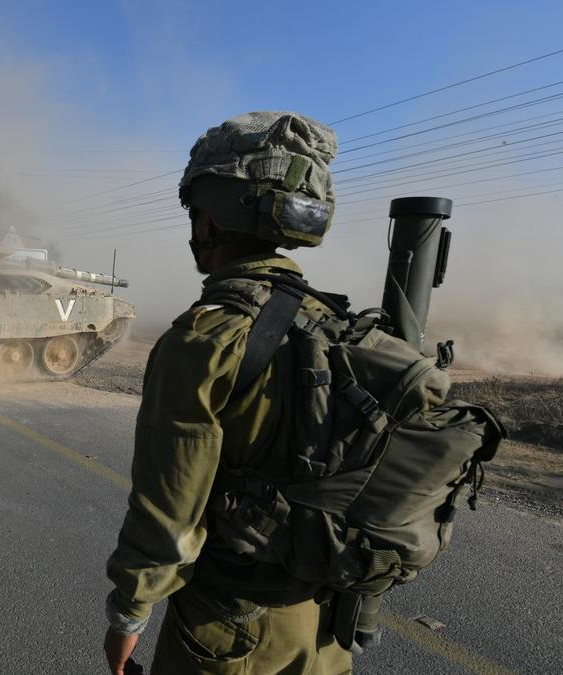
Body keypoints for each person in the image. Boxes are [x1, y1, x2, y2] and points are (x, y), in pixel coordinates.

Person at [103, 111, 352, 675]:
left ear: (212, 221)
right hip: (326, 623)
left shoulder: (204, 340)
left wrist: (129, 615)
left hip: (230, 631)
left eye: (196, 213)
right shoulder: (339, 326)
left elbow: (169, 512)